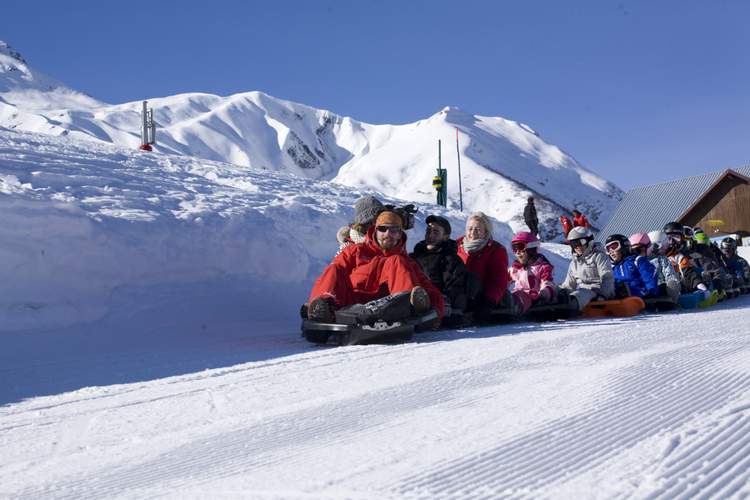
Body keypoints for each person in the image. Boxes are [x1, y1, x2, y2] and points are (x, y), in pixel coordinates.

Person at [308, 206, 445, 323]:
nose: (387, 234)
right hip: (351, 302)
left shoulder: (405, 262)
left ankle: (407, 307)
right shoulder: (355, 251)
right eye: (383, 229)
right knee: (335, 268)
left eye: (394, 230)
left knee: (397, 260)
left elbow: (428, 288)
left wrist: (435, 312)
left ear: (400, 234)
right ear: (375, 230)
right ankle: (322, 308)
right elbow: (331, 276)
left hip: (386, 306)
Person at [410, 215, 468, 326]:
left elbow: (455, 287)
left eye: (436, 232)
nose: (430, 235)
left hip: (439, 300)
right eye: (428, 230)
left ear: (445, 236)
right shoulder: (414, 256)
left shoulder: (451, 259)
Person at [456, 211, 509, 322]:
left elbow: (498, 280)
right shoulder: (456, 246)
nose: (473, 233)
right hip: (458, 293)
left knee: (473, 278)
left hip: (481, 296)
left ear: (486, 232)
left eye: (478, 229)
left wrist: (489, 301)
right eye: (470, 229)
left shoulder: (495, 250)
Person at [560, 226, 614, 310]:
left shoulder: (599, 256)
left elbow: (607, 277)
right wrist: (560, 292)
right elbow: (569, 285)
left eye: (580, 242)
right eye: (573, 244)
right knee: (564, 295)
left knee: (579, 295)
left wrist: (603, 295)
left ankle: (569, 308)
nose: (577, 246)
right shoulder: (574, 262)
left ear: (589, 241)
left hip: (597, 291)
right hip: (582, 292)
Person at [508, 231, 556, 315]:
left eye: (520, 247)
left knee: (521, 297)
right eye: (514, 248)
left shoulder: (543, 267)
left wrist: (543, 294)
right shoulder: (515, 269)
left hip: (534, 298)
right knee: (506, 296)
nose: (517, 252)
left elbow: (548, 283)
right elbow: (501, 281)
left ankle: (512, 310)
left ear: (531, 249)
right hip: (516, 296)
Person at [663, 222, 711, 297]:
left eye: (676, 237)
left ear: (682, 238)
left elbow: (689, 272)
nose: (672, 241)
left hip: (687, 283)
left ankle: (704, 286)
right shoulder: (662, 255)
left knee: (697, 271)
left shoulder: (688, 254)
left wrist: (701, 284)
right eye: (669, 238)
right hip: (664, 284)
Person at [605, 234, 658, 298]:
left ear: (624, 245)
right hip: (620, 300)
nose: (611, 251)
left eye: (614, 247)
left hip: (642, 297)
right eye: (608, 249)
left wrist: (651, 295)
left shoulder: (637, 261)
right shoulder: (613, 269)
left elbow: (649, 278)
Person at [645, 230, 681, 301]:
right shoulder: (642, 260)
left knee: (671, 284)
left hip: (662, 287)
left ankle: (671, 296)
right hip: (650, 288)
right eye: (664, 246)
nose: (666, 248)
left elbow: (669, 273)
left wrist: (672, 282)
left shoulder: (662, 259)